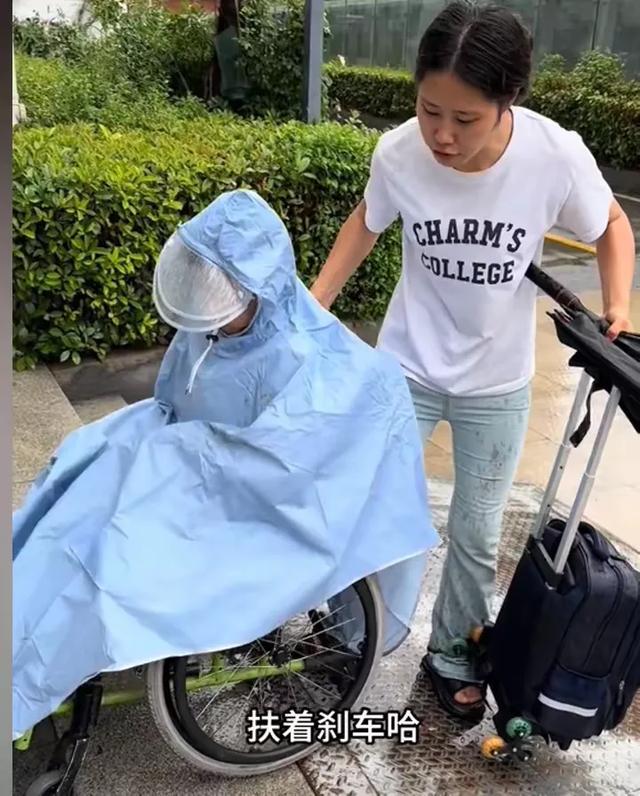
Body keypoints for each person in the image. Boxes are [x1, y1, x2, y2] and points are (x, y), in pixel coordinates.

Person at [12, 188, 439, 740]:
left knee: (105, 563)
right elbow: (175, 398)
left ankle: (27, 679)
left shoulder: (314, 366)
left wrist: (184, 456)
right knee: (74, 481)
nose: (210, 312)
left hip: (245, 504)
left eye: (222, 297)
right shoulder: (212, 325)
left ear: (262, 289)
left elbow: (289, 470)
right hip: (189, 470)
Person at [310, 0, 636, 723]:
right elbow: (367, 220)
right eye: (429, 111)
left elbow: (611, 221)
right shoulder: (398, 153)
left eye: (465, 119)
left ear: (507, 101)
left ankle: (453, 651)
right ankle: (346, 636)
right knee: (367, 503)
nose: (442, 135)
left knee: (476, 530)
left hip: (496, 381)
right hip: (405, 367)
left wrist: (616, 303)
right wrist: (318, 299)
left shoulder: (552, 155)